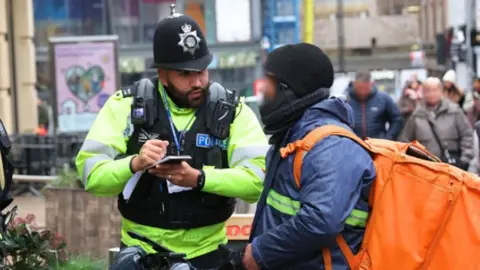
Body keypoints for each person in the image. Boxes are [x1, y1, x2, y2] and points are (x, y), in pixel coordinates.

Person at [75, 7, 268, 269]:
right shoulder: (125, 106)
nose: (198, 81)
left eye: (202, 70)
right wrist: (135, 163)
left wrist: (200, 179)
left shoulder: (234, 111)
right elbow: (91, 175)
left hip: (208, 255)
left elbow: (257, 181)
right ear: (163, 75)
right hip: (141, 252)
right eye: (185, 74)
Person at [243, 43, 376, 270]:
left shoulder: (331, 145)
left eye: (268, 87)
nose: (262, 94)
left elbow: (321, 220)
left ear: (290, 91)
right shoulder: (293, 137)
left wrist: (259, 252)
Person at [398, 77, 473, 170]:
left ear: (441, 91)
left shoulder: (455, 111)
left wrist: (465, 160)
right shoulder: (416, 115)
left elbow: (467, 136)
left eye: (434, 90)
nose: (431, 93)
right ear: (423, 92)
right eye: (427, 90)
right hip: (425, 169)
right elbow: (404, 142)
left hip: (452, 167)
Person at [346, 70, 404, 140]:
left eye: (365, 88)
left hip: (377, 145)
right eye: (359, 88)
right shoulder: (346, 100)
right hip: (353, 144)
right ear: (354, 84)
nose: (362, 92)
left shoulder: (383, 98)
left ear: (371, 84)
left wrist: (389, 137)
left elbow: (397, 119)